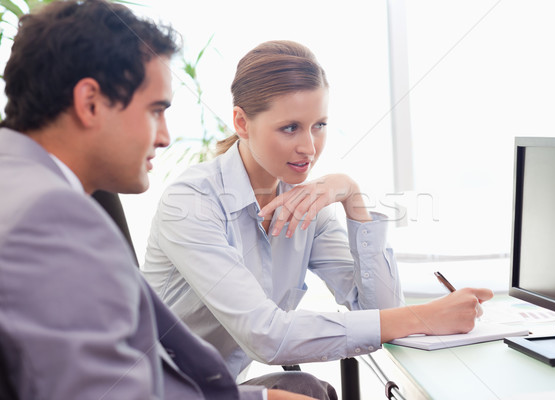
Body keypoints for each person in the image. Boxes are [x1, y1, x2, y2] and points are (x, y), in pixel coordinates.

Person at [142, 40, 493, 397]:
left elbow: (380, 312)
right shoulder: (192, 201)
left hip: (212, 389)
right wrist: (425, 317)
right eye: (291, 128)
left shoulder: (306, 207)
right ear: (241, 122)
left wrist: (353, 198)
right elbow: (267, 337)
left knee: (308, 387)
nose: (309, 148)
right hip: (150, 390)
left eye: (319, 125)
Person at [0, 2, 314, 399]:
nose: (164, 137)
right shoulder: (48, 213)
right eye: (155, 111)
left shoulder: (22, 184)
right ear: (90, 102)